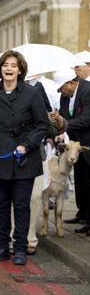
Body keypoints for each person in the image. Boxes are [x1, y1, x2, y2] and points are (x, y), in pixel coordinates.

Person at [0, 50, 49, 265]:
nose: (9, 68)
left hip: (25, 158)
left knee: (21, 205)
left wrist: (27, 145)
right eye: (6, 65)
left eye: (14, 65)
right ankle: (2, 247)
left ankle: (20, 248)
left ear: (20, 70)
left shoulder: (32, 94)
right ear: (1, 69)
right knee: (1, 205)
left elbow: (43, 125)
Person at [50, 67, 90, 235]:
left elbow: (86, 119)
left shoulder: (88, 91)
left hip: (87, 143)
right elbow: (65, 116)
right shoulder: (65, 96)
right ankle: (83, 214)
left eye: (61, 88)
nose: (60, 91)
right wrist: (59, 128)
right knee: (80, 182)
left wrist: (63, 124)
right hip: (75, 147)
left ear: (71, 83)